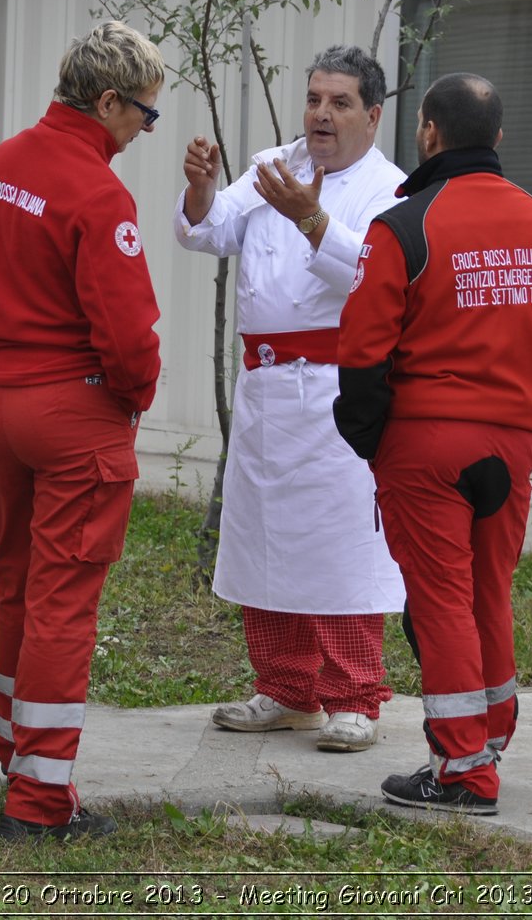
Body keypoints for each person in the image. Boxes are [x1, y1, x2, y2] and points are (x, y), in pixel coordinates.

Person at [335, 72, 532, 814]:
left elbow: (361, 353)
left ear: (427, 133)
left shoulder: (402, 226)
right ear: (499, 138)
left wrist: (374, 442)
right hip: (510, 446)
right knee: (488, 593)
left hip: (425, 446)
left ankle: (462, 769)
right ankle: (489, 736)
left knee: (440, 600)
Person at [0, 20, 164, 840]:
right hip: (73, 411)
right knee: (64, 603)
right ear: (107, 101)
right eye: (143, 113)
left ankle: (14, 754)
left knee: (15, 583)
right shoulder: (97, 192)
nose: (143, 131)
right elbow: (129, 333)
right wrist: (130, 398)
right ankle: (39, 801)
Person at [174, 45, 407, 753]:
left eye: (338, 103)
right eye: (313, 99)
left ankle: (353, 695)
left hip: (338, 390)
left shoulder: (389, 187)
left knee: (338, 548)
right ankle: (285, 687)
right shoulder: (276, 164)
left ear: (371, 114)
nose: (321, 115)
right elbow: (208, 231)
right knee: (264, 541)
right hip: (265, 388)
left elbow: (375, 277)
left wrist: (311, 220)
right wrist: (200, 188)